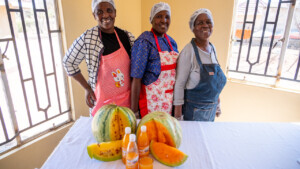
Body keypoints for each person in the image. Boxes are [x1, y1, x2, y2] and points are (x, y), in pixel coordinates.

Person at [63, 0, 135, 116]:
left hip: (126, 105)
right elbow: (68, 62)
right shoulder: (88, 38)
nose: (105, 15)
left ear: (115, 13)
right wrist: (87, 88)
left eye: (109, 10)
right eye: (100, 12)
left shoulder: (127, 37)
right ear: (94, 15)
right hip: (102, 108)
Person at [173, 8, 227, 121]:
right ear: (193, 28)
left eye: (208, 22)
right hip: (192, 112)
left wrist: (217, 104)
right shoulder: (189, 51)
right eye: (200, 23)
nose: (205, 25)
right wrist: (178, 117)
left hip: (210, 112)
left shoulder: (213, 49)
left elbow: (214, 83)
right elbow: (179, 84)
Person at [131, 2, 179, 118]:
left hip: (168, 103)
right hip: (151, 104)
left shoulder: (172, 42)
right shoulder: (144, 42)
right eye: (159, 16)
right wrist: (134, 112)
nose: (164, 20)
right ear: (151, 20)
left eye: (167, 17)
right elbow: (136, 79)